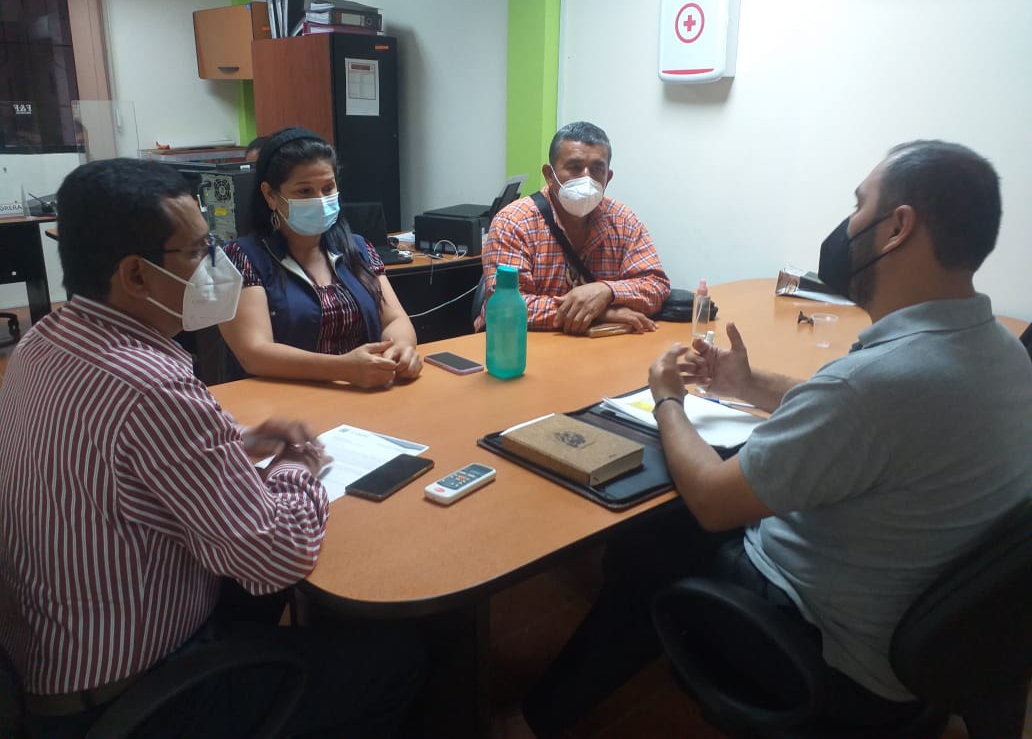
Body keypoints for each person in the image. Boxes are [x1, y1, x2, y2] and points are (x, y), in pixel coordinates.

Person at [520, 140, 1032, 734]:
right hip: (926, 642)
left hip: (825, 649)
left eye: (859, 206)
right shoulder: (1003, 351)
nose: (848, 226)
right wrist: (747, 383)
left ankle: (532, 721)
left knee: (658, 534)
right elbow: (860, 414)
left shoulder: (870, 386)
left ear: (897, 228)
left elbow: (713, 499)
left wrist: (666, 398)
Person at [0, 158, 425, 738]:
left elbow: (116, 456)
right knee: (400, 658)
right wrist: (299, 463)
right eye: (198, 251)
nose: (214, 265)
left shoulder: (43, 343)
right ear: (136, 275)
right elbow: (277, 556)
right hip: (139, 695)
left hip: (52, 659)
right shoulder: (150, 386)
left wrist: (237, 442)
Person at [219, 127, 421, 387]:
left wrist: (401, 349)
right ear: (270, 195)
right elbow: (254, 353)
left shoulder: (357, 248)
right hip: (285, 400)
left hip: (363, 391)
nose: (321, 200)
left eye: (328, 188)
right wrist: (344, 368)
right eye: (304, 191)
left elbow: (395, 318)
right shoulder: (242, 257)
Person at [476, 121, 670, 335]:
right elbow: (507, 308)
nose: (586, 178)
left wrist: (606, 291)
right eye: (575, 167)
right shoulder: (513, 222)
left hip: (599, 347)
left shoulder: (623, 221)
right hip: (519, 344)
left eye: (597, 169)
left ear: (608, 177)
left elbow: (656, 286)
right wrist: (599, 312)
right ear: (549, 175)